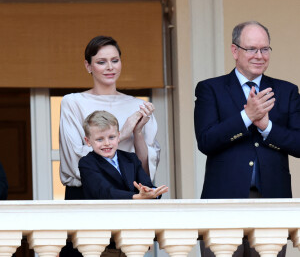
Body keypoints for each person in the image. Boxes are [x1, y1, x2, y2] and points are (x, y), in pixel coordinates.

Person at [194, 21, 300, 256]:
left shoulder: (287, 91)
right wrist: (246, 117)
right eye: (252, 49)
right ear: (235, 51)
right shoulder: (210, 89)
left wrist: (267, 127)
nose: (259, 56)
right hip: (222, 201)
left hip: (272, 201)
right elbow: (206, 141)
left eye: (265, 49)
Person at [59, 36, 160, 200]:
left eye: (115, 60)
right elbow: (75, 159)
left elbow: (146, 168)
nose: (110, 67)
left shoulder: (139, 106)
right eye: (101, 62)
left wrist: (138, 133)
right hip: (85, 194)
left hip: (132, 195)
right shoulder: (73, 102)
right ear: (88, 66)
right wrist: (123, 134)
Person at [79, 110, 168, 200]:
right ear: (88, 141)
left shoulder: (131, 158)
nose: (106, 143)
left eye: (111, 137)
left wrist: (150, 191)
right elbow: (104, 192)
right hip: (103, 212)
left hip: (135, 212)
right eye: (99, 139)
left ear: (118, 136)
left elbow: (146, 184)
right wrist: (137, 197)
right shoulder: (87, 163)